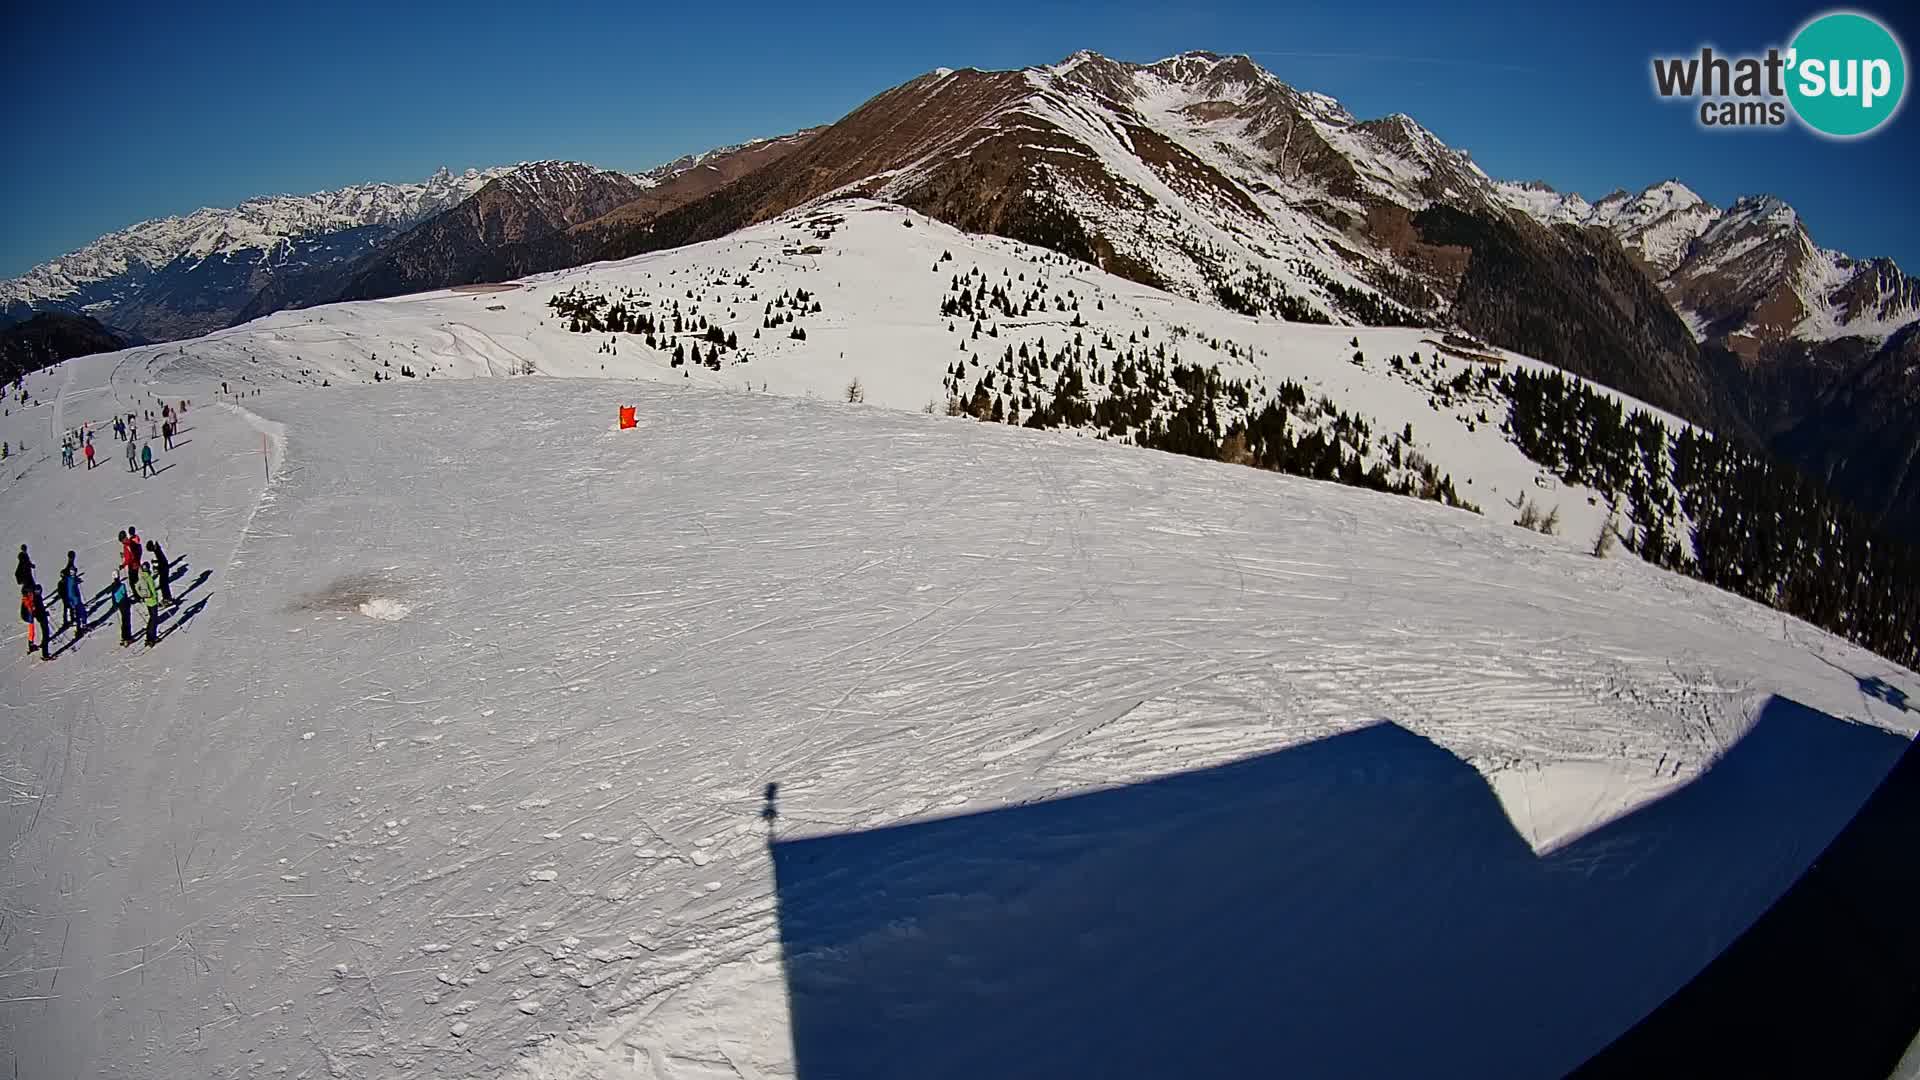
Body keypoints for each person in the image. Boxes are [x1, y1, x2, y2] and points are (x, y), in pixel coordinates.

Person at [133, 561, 162, 646]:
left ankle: (149, 637)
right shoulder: (149, 577)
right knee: (154, 620)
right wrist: (156, 599)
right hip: (152, 601)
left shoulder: (141, 577)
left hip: (147, 600)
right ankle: (152, 638)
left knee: (151, 619)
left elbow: (136, 586)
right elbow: (153, 589)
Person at [57, 553, 85, 636]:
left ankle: (68, 621)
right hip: (69, 597)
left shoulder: (64, 580)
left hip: (67, 597)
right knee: (73, 609)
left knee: (68, 609)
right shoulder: (68, 580)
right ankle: (76, 625)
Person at [20, 583, 51, 660]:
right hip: (30, 616)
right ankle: (45, 654)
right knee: (43, 633)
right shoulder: (30, 600)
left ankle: (31, 646)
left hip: (31, 616)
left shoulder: (30, 598)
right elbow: (33, 609)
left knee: (32, 631)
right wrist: (39, 613)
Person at [147, 539, 175, 605]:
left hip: (164, 569)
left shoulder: (157, 551)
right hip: (164, 568)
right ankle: (167, 598)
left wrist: (157, 568)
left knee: (163, 584)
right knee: (163, 584)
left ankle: (167, 599)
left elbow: (161, 562)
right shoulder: (157, 549)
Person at [112, 573, 133, 646]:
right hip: (125, 604)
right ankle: (128, 637)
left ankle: (124, 637)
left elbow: (113, 597)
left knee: (123, 620)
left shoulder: (113, 587)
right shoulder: (122, 585)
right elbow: (124, 595)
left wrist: (115, 605)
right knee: (127, 620)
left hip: (119, 605)